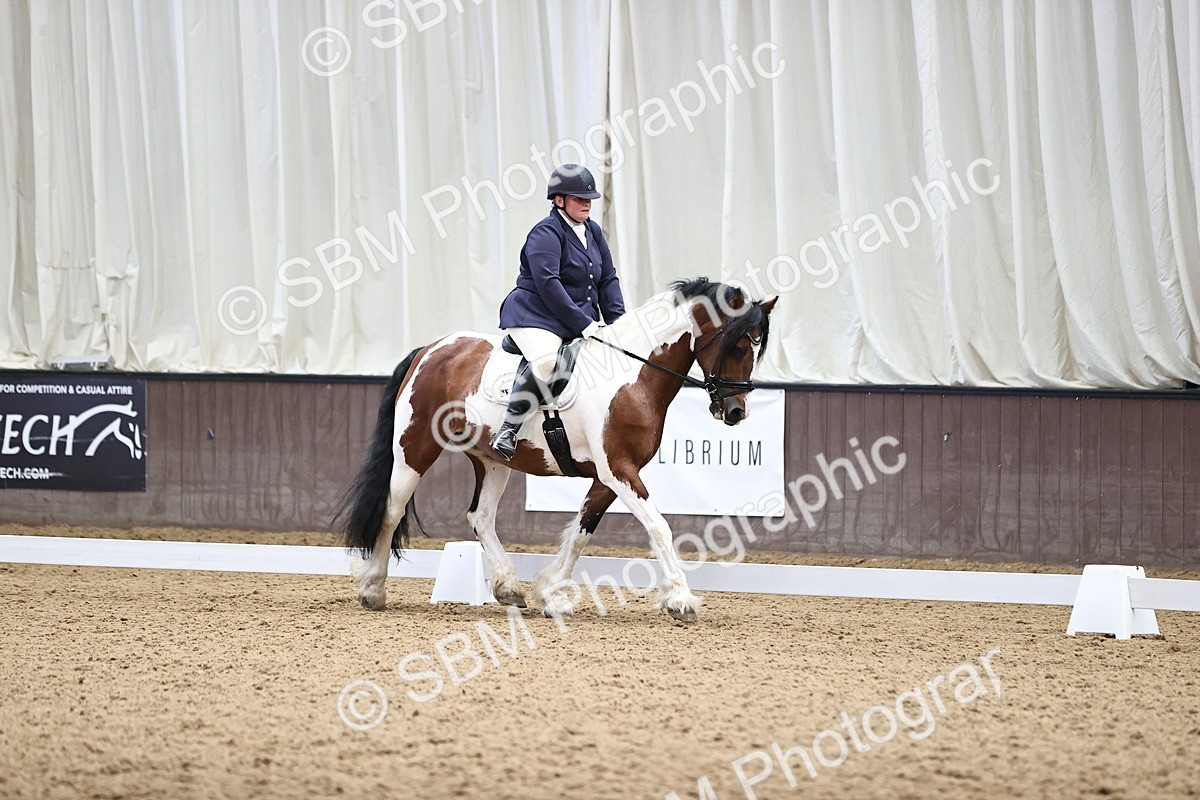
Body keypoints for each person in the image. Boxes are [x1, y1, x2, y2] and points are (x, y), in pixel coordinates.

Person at [491, 164, 626, 459]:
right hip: (535, 316)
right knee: (546, 363)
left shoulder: (592, 231)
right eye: (579, 198)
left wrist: (619, 324)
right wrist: (584, 323)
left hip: (571, 318)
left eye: (589, 198)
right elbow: (549, 285)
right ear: (559, 200)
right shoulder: (545, 233)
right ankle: (508, 429)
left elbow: (607, 279)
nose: (586, 203)